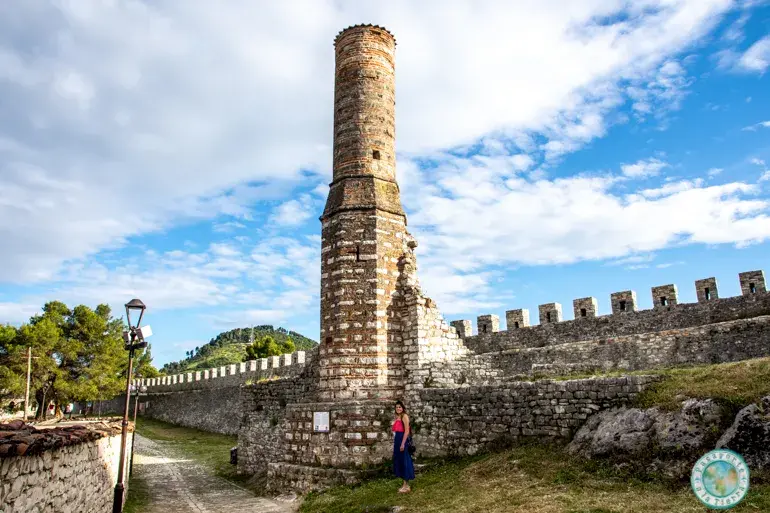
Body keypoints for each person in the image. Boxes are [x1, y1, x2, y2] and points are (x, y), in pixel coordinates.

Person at [392, 400, 415, 493]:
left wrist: (402, 444)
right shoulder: (397, 416)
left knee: (405, 461)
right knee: (400, 461)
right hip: (397, 440)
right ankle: (404, 484)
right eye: (397, 407)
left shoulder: (404, 416)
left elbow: (406, 431)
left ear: (403, 408)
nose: (398, 408)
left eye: (400, 407)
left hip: (403, 441)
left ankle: (406, 486)